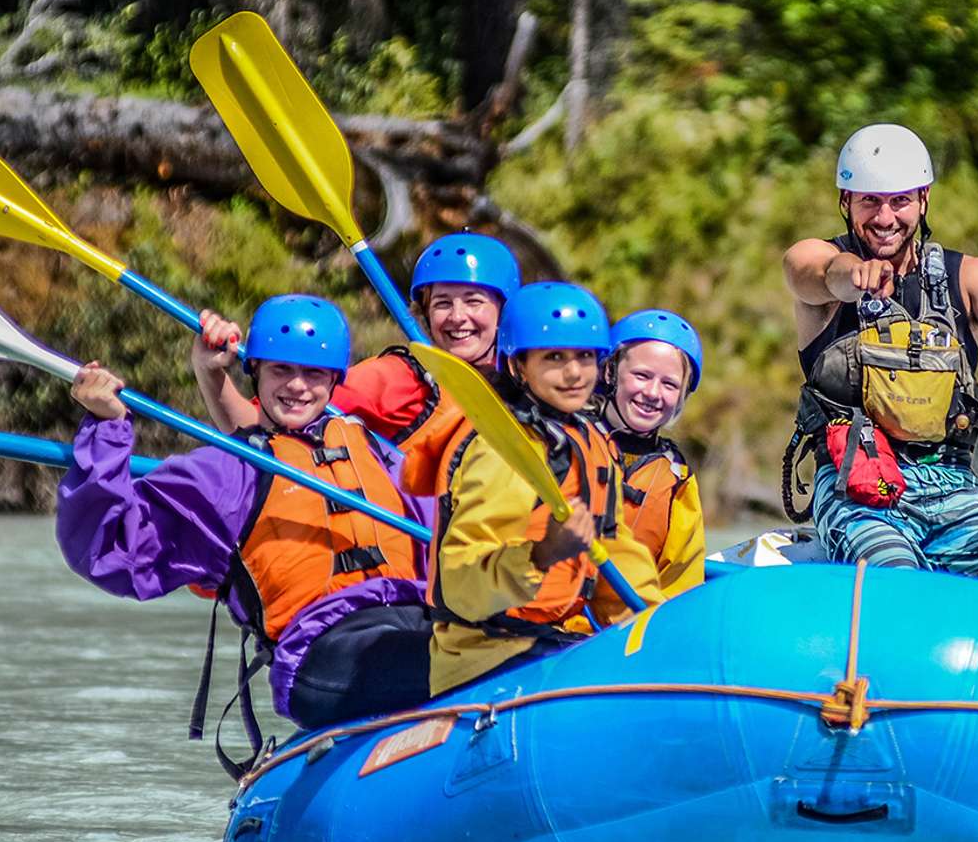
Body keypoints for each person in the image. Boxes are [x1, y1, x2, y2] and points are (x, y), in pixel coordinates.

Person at [56, 295, 435, 734]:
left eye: (313, 373)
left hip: (412, 623)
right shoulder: (227, 474)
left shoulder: (375, 452)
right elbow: (111, 547)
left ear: (335, 379)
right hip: (322, 652)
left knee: (486, 640)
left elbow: (451, 534)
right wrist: (107, 427)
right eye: (281, 370)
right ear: (255, 371)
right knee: (445, 659)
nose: (297, 386)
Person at [781, 123, 978, 607]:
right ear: (846, 201)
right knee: (897, 589)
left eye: (899, 201)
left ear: (923, 199)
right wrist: (854, 276)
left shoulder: (972, 277)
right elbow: (818, 274)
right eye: (870, 202)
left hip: (955, 486)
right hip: (857, 485)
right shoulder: (816, 260)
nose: (885, 218)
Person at [423, 282, 664, 697]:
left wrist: (657, 629)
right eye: (554, 358)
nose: (574, 374)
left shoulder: (592, 442)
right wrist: (542, 554)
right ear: (519, 366)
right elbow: (461, 585)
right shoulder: (501, 450)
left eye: (584, 357)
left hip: (552, 643)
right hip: (484, 656)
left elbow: (618, 551)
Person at [191, 232, 523, 446]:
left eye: (474, 302)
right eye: (442, 303)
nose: (457, 316)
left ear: (504, 311)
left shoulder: (531, 379)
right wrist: (210, 371)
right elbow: (257, 427)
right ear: (425, 313)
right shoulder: (399, 379)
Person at [598, 309, 707, 599]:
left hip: (627, 623)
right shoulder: (567, 443)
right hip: (554, 619)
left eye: (669, 384)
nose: (653, 393)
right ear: (610, 371)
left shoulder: (677, 479)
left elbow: (681, 583)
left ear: (682, 395)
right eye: (642, 375)